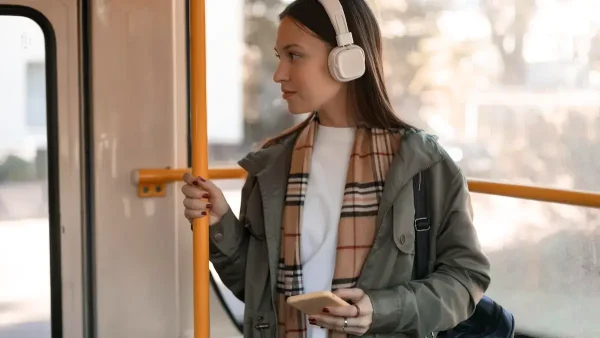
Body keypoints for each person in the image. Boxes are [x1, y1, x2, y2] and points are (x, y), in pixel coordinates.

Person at [181, 0, 490, 337]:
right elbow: (256, 291)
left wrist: (379, 310)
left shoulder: (423, 164)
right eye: (278, 57)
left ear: (347, 60)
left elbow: (465, 280)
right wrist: (221, 222)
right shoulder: (270, 164)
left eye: (294, 55)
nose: (278, 74)